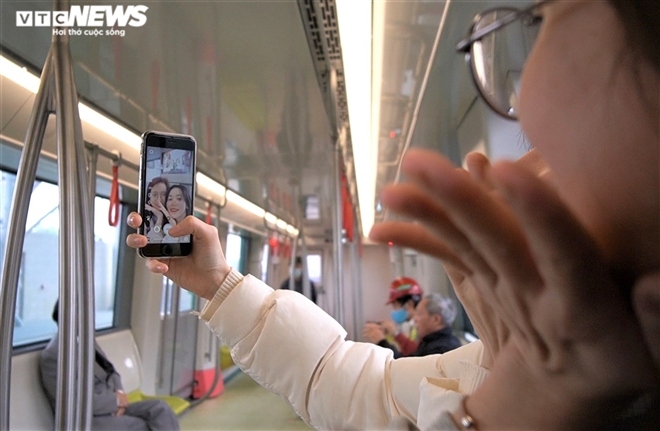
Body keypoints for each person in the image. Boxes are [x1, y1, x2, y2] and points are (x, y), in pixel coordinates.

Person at [126, 0, 660, 429]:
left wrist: (523, 402)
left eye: (546, 19)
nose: (526, 158)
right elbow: (356, 388)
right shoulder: (501, 357)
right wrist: (220, 284)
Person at [40, 301, 180, 431]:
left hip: (112, 404)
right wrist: (116, 402)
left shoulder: (86, 340)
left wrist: (119, 392)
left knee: (161, 409)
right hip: (87, 419)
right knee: (141, 426)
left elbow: (110, 370)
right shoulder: (54, 356)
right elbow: (75, 402)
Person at [377, 294, 461, 359]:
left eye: (419, 314)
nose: (415, 319)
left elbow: (406, 369)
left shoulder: (441, 350)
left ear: (436, 319)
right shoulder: (429, 341)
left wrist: (381, 341)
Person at [363, 277, 423, 356]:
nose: (394, 310)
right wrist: (385, 335)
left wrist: (395, 333)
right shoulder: (408, 326)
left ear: (409, 304)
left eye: (395, 305)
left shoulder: (423, 326)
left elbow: (417, 354)